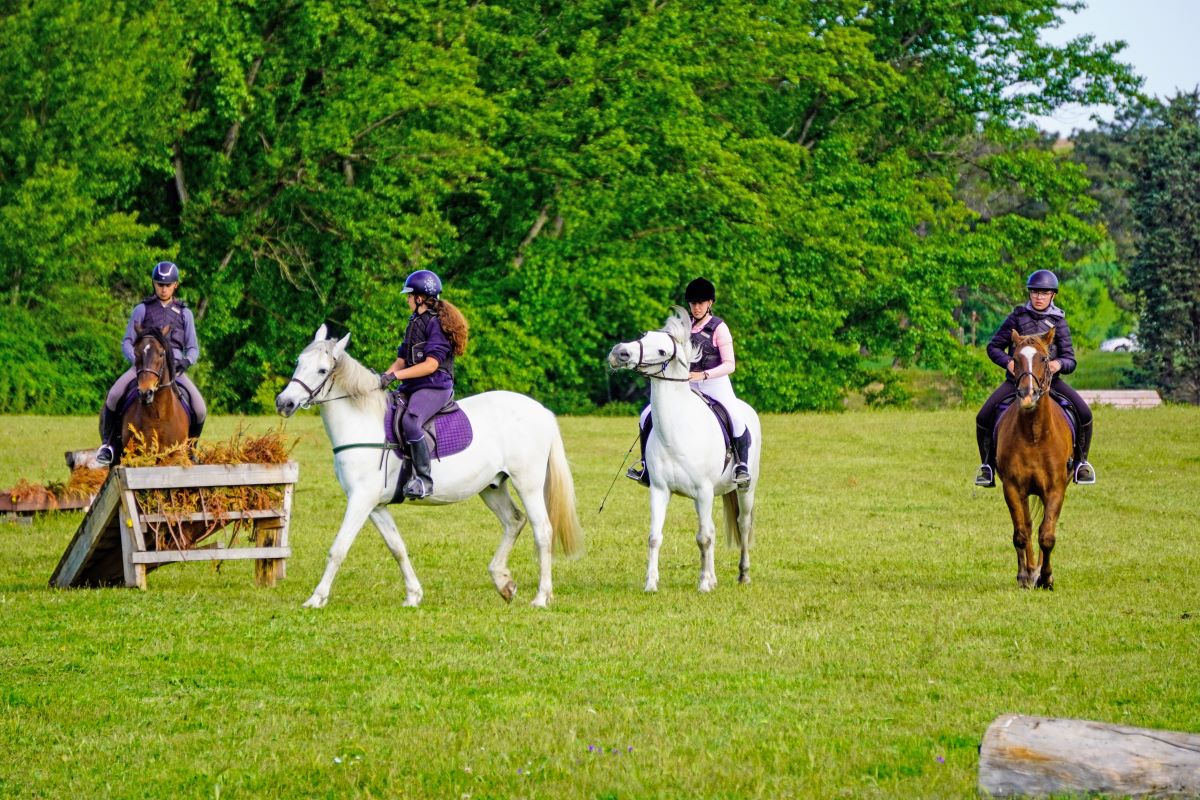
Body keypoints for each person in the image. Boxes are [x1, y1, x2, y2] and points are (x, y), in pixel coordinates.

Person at [974, 269, 1096, 487]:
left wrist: (1058, 363)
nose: (1039, 297)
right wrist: (1008, 362)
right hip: (1017, 383)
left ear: (1053, 296)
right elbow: (993, 347)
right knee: (983, 417)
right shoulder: (1016, 317)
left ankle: (1080, 464)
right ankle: (987, 467)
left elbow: (1070, 359)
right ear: (1030, 294)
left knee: (1085, 413)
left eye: (1044, 293)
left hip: (1050, 383)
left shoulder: (1059, 322)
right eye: (1035, 292)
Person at [627, 277, 752, 487]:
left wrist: (703, 375)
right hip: (686, 385)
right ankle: (647, 466)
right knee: (646, 414)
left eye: (701, 303)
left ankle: (741, 467)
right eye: (693, 303)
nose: (696, 307)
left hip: (715, 384)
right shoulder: (684, 329)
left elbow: (730, 365)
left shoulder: (719, 328)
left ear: (710, 303)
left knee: (737, 419)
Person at [96, 261, 207, 466]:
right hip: (144, 364)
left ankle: (191, 450)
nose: (163, 289)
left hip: (173, 366)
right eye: (159, 284)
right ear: (154, 285)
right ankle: (108, 446)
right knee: (113, 396)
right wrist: (137, 361)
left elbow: (193, 348)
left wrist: (186, 361)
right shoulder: (142, 309)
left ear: (176, 285)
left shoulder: (185, 313)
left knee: (200, 408)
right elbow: (127, 341)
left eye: (167, 285)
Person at [379, 269, 469, 499]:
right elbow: (401, 361)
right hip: (414, 385)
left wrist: (397, 377)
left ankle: (424, 480)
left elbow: (430, 365)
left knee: (411, 421)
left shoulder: (436, 324)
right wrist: (383, 377)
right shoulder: (414, 321)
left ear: (419, 298)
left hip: (435, 385)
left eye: (408, 296)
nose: (407, 300)